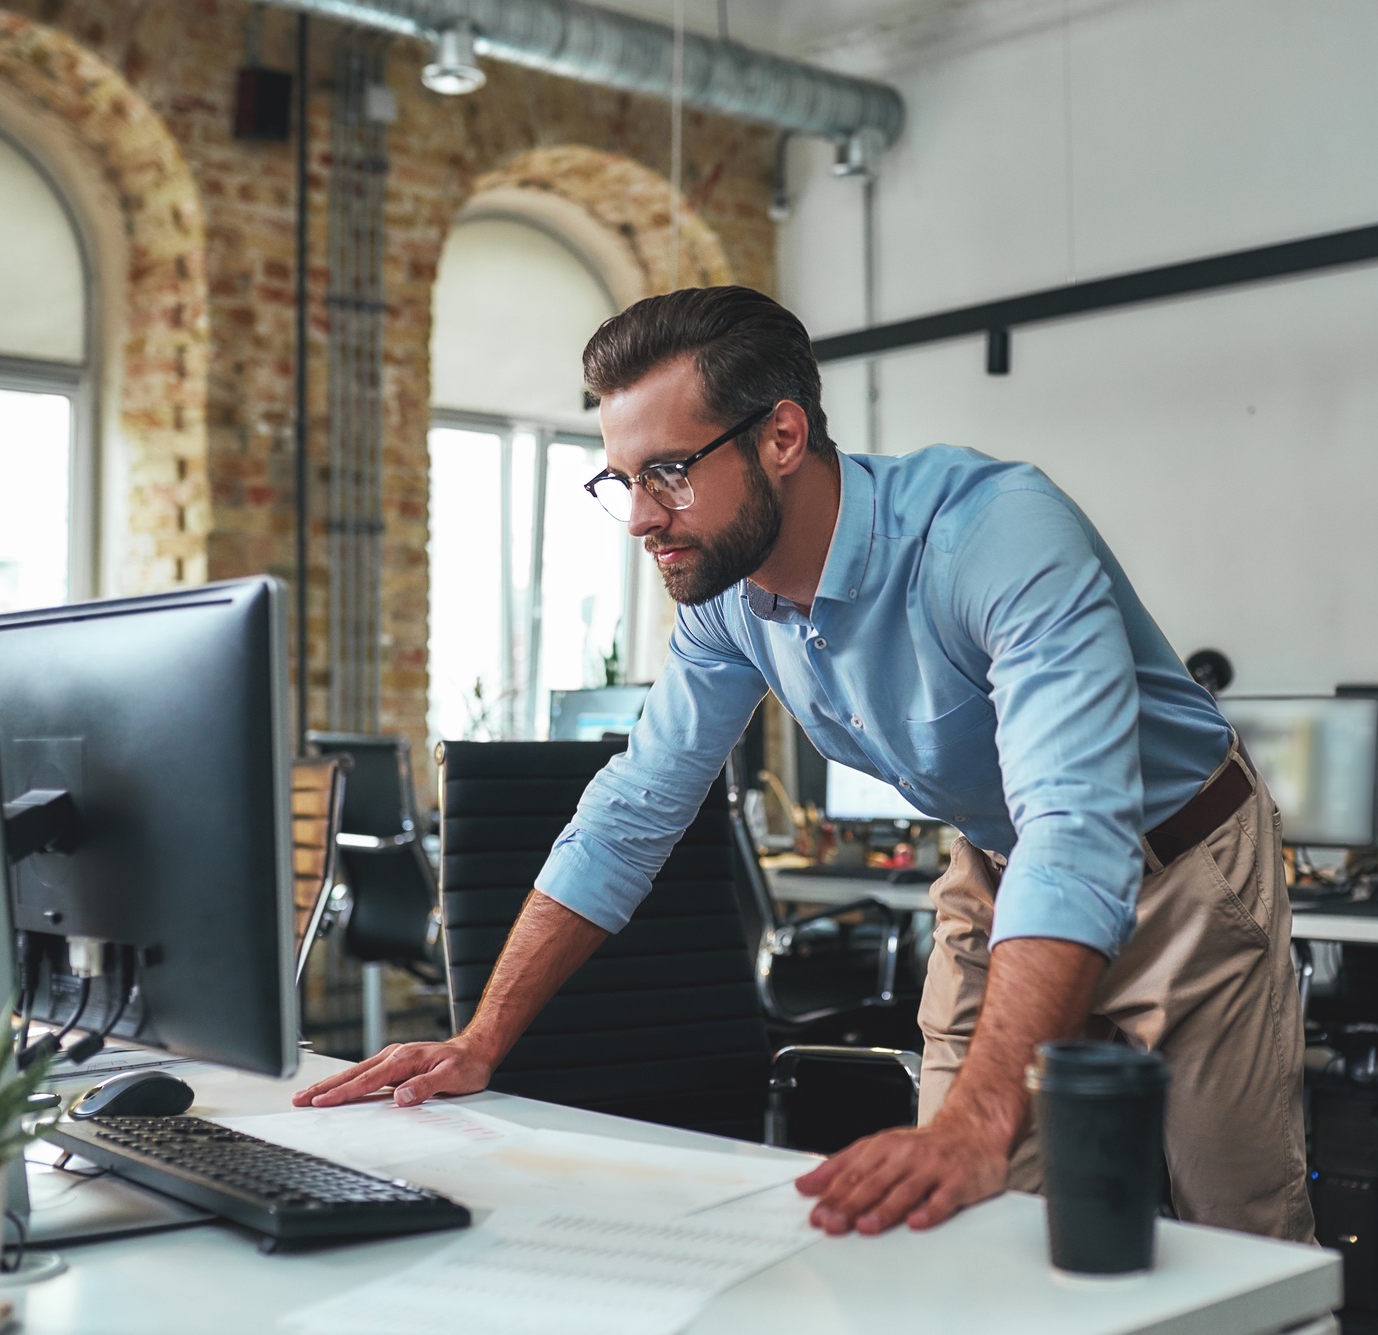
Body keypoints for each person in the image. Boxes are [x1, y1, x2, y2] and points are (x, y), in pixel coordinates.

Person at [294, 287, 1314, 1244]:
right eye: (622, 479)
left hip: (1177, 868)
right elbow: (634, 807)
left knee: (1236, 1236)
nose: (643, 516)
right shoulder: (728, 603)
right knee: (960, 1226)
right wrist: (480, 1038)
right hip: (1002, 876)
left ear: (781, 437)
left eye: (669, 472)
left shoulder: (993, 536)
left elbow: (1075, 823)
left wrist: (983, 1113)